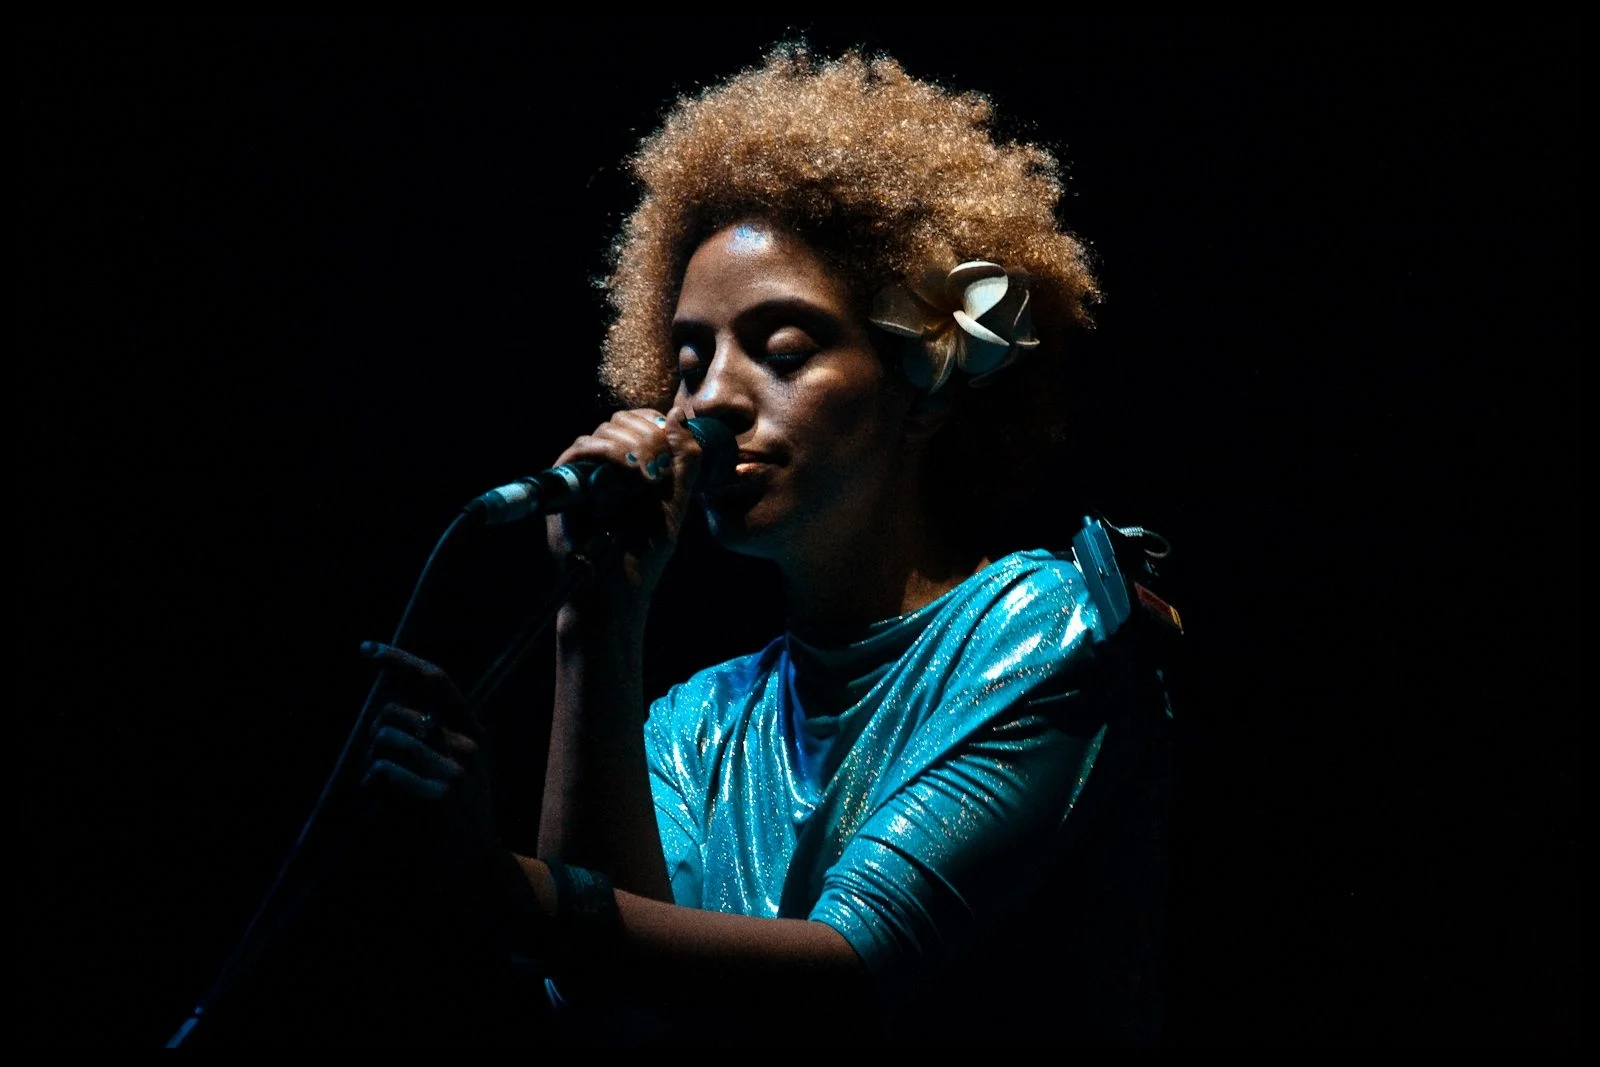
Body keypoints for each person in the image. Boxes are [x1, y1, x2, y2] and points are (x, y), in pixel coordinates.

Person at [354, 45, 1167, 1047]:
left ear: (924, 385)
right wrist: (594, 626)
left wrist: (493, 882)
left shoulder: (1045, 628)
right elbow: (608, 1007)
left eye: (784, 351)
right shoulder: (698, 719)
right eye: (688, 361)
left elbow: (847, 976)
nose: (711, 400)